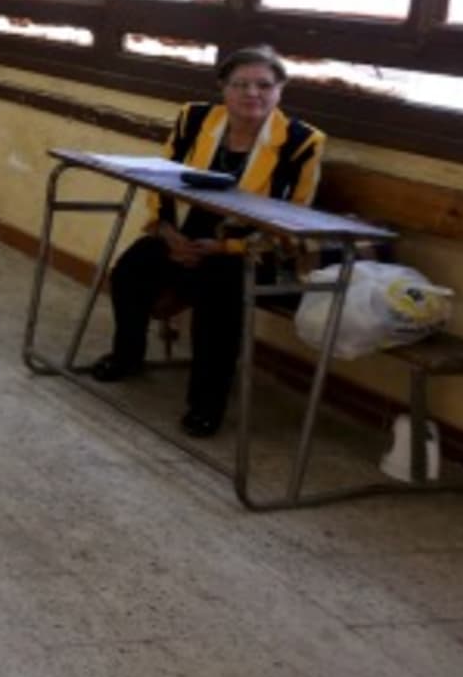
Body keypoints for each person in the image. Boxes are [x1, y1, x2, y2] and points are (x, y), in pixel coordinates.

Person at [87, 45, 325, 438]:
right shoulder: (195, 119)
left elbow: (293, 217)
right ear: (223, 88)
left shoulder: (302, 142)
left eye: (264, 85)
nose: (252, 94)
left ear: (280, 89)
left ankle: (206, 404)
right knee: (130, 270)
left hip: (247, 249)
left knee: (220, 298)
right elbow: (160, 178)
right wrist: (166, 232)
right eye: (241, 84)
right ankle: (127, 356)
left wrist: (225, 247)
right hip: (182, 233)